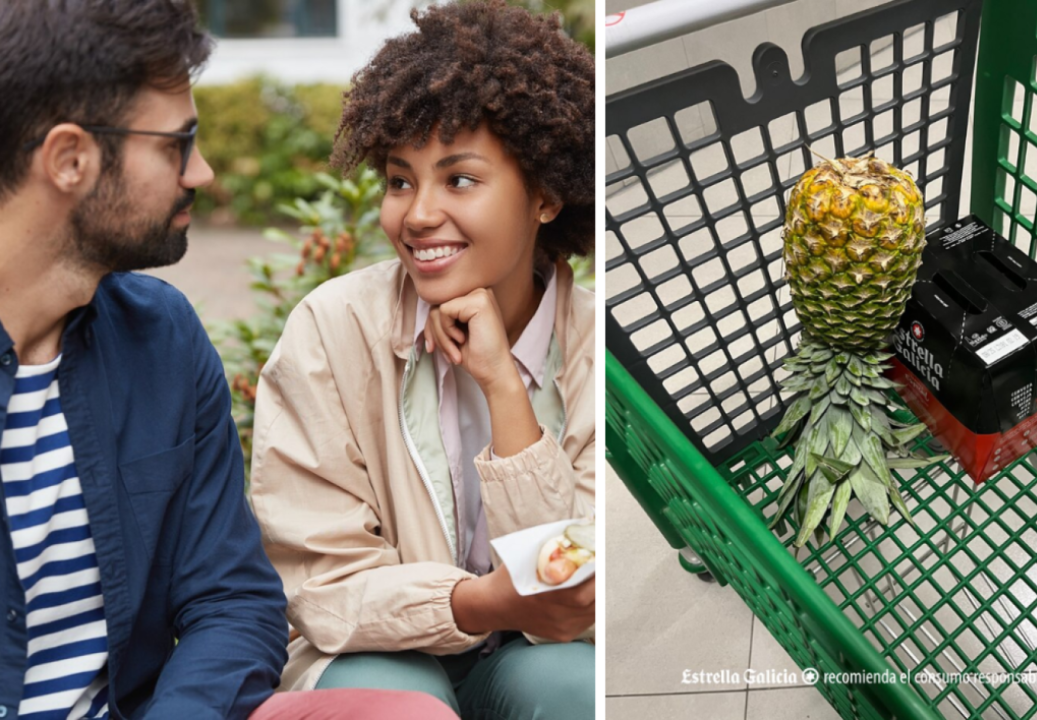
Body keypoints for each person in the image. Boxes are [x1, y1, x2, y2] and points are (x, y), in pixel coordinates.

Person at [0, 1, 457, 718]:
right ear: (69, 159)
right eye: (176, 145)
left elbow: (233, 601)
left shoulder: (163, 339)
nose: (202, 173)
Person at [248, 1, 597, 718]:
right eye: (400, 180)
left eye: (458, 180)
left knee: (567, 687)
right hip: (380, 656)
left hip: (538, 664)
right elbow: (321, 583)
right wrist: (473, 603)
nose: (416, 215)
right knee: (398, 700)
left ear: (545, 195)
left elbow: (574, 599)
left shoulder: (596, 344)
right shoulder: (331, 329)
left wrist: (504, 385)